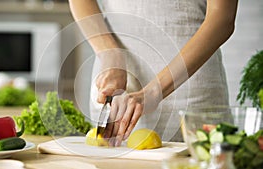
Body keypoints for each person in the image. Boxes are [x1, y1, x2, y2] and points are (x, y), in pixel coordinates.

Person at [68, 0, 238, 146]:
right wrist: (110, 53)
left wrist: (154, 91)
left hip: (191, 89)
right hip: (116, 90)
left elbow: (222, 18)